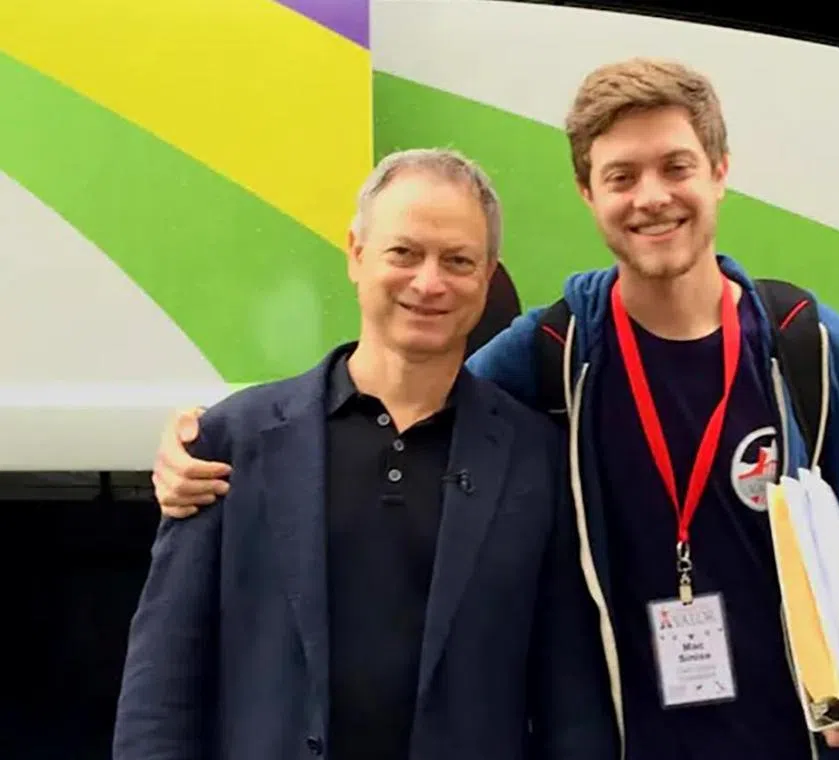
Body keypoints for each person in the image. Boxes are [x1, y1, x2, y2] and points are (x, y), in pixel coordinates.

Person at [148, 59, 839, 759]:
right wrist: (212, 447)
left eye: (676, 166)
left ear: (719, 169)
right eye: (621, 176)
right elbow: (399, 383)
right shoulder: (552, 354)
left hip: (794, 738)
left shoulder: (803, 348)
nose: (652, 198)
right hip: (621, 739)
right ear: (586, 191)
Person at [113, 149, 619, 760]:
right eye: (404, 253)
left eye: (458, 260)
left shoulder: (536, 459)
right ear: (356, 253)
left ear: (487, 278)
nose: (429, 283)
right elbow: (162, 691)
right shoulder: (228, 445)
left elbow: (572, 702)